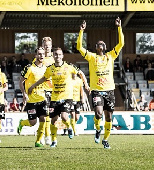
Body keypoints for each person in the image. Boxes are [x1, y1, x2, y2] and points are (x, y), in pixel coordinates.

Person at [77, 17, 124, 149]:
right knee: (98, 113)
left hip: (109, 91)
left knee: (109, 117)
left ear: (105, 47)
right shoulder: (92, 57)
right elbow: (79, 47)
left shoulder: (111, 55)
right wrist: (81, 31)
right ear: (96, 47)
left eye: (102, 43)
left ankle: (106, 139)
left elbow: (121, 44)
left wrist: (119, 28)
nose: (100, 44)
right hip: (97, 90)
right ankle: (98, 129)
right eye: (98, 43)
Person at [28, 48, 89, 148]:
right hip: (55, 97)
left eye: (60, 54)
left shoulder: (68, 66)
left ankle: (69, 127)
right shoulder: (50, 68)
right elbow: (44, 78)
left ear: (62, 56)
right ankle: (54, 141)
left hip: (67, 97)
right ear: (53, 56)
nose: (58, 56)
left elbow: (81, 73)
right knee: (53, 120)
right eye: (56, 54)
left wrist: (86, 84)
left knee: (64, 117)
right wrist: (32, 86)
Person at [17, 47, 51, 147]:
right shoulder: (29, 68)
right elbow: (21, 81)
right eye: (39, 54)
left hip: (42, 98)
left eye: (43, 54)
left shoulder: (46, 68)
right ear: (35, 55)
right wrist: (24, 93)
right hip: (31, 100)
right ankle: (22, 123)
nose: (41, 56)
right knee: (33, 122)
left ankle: (38, 141)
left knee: (43, 120)